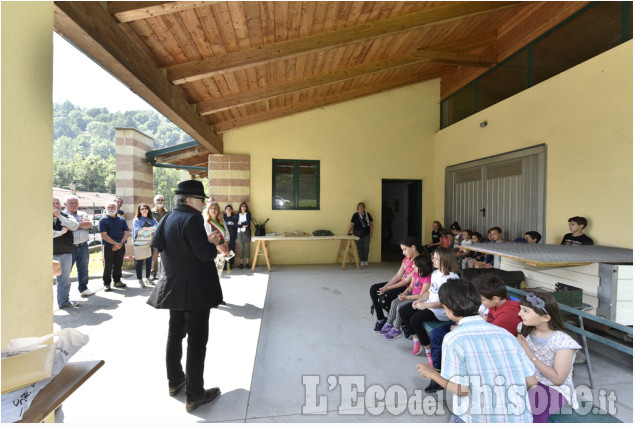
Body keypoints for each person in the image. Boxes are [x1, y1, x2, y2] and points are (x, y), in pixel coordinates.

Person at [147, 180, 225, 412]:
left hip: (174, 287)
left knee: (174, 336)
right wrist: (211, 243)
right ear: (191, 199)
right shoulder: (192, 219)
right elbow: (203, 255)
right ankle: (195, 395)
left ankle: (175, 382)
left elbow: (158, 245)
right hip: (196, 291)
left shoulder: (168, 217)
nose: (203, 204)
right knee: (197, 342)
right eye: (201, 200)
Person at [417, 278, 536, 423]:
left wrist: (433, 374)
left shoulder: (454, 339)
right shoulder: (506, 335)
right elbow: (531, 381)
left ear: (447, 308)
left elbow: (462, 389)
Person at [424, 273, 522, 393]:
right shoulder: (496, 308)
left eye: (483, 300)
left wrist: (432, 375)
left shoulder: (506, 318)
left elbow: (463, 390)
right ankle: (439, 370)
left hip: (480, 398)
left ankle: (438, 376)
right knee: (437, 333)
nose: (482, 302)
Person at [517, 291, 581, 422]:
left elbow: (558, 379)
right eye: (521, 309)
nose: (519, 314)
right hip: (528, 379)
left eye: (526, 311)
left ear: (545, 317)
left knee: (531, 414)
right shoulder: (523, 328)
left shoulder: (563, 342)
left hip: (553, 387)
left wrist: (528, 353)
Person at [399, 247, 459, 360]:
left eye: (436, 258)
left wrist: (424, 305)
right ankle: (416, 339)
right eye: (433, 258)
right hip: (429, 304)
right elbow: (430, 291)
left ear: (445, 260)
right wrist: (420, 300)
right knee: (403, 311)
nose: (433, 260)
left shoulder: (451, 278)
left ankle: (428, 349)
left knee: (414, 319)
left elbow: (445, 303)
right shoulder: (436, 273)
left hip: (441, 311)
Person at [369, 236, 426, 332]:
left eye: (405, 249)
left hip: (407, 288)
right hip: (400, 283)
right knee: (374, 289)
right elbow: (398, 275)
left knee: (383, 298)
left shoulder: (419, 262)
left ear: (413, 247)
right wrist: (386, 286)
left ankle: (402, 322)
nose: (403, 252)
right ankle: (381, 319)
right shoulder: (406, 260)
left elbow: (406, 281)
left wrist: (388, 288)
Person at [380, 254, 433, 341]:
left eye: (415, 265)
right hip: (411, 295)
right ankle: (389, 323)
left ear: (422, 267)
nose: (413, 266)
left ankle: (396, 329)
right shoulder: (415, 274)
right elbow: (411, 287)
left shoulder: (427, 279)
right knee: (394, 302)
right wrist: (404, 293)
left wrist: (407, 298)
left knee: (399, 306)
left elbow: (421, 295)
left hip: (418, 299)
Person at [64, 195, 95, 298]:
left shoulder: (83, 213)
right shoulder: (62, 215)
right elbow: (66, 228)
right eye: (71, 203)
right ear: (65, 204)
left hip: (83, 246)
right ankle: (64, 294)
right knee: (66, 270)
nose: (73, 205)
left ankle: (83, 288)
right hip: (69, 247)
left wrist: (73, 225)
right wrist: (81, 224)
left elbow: (89, 225)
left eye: (75, 203)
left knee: (83, 268)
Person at [53, 196, 80, 308]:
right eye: (53, 204)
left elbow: (74, 226)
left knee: (64, 280)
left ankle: (64, 302)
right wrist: (60, 233)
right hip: (49, 253)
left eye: (57, 203)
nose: (55, 206)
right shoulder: (41, 217)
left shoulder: (66, 216)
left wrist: (59, 216)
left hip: (65, 253)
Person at [99, 201, 130, 292]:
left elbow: (126, 232)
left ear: (116, 209)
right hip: (108, 246)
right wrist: (116, 244)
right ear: (106, 209)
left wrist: (120, 243)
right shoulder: (103, 220)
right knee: (108, 265)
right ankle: (107, 283)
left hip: (121, 245)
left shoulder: (121, 220)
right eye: (108, 207)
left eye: (113, 207)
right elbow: (104, 235)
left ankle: (117, 281)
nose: (111, 209)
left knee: (118, 264)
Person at [133, 203, 158, 288]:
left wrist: (146, 229)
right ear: (139, 210)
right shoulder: (136, 219)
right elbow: (139, 231)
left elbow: (157, 227)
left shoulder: (152, 219)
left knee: (149, 261)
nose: (144, 210)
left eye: (146, 208)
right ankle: (140, 279)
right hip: (140, 242)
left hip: (150, 243)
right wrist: (151, 229)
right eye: (142, 208)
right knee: (139, 262)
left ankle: (147, 278)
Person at [203, 202, 230, 279]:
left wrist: (226, 243)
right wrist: (219, 247)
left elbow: (227, 233)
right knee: (212, 276)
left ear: (218, 210)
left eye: (215, 208)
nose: (213, 210)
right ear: (208, 210)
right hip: (213, 252)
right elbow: (208, 237)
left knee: (219, 274)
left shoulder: (222, 221)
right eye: (211, 208)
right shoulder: (206, 223)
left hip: (222, 252)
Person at [347, 202, 374, 267]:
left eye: (362, 207)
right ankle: (362, 260)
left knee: (366, 248)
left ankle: (365, 260)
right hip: (357, 234)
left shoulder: (368, 215)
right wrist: (348, 231)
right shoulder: (355, 215)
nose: (361, 208)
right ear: (357, 208)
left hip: (366, 234)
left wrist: (371, 232)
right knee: (359, 247)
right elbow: (352, 224)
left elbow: (371, 224)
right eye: (359, 207)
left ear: (364, 208)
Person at [150, 194, 170, 280]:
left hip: (165, 237)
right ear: (154, 202)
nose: (160, 201)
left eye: (161, 200)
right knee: (154, 257)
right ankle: (153, 274)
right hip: (154, 237)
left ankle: (163, 274)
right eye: (158, 200)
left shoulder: (168, 212)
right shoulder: (150, 212)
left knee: (164, 256)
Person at [236, 202, 251, 269]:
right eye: (242, 206)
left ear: (246, 207)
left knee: (247, 248)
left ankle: (247, 263)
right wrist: (243, 224)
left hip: (246, 232)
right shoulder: (237, 215)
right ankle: (241, 263)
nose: (243, 207)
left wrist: (240, 223)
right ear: (240, 207)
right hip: (239, 232)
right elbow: (236, 224)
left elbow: (248, 223)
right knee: (241, 248)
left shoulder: (248, 214)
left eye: (245, 206)